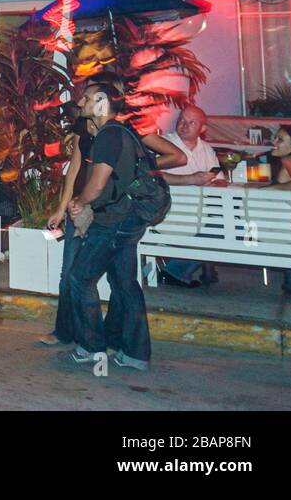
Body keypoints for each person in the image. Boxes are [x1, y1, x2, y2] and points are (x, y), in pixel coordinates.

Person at [65, 83, 185, 372]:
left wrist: (79, 202)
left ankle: (93, 347)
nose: (81, 101)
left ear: (102, 103)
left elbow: (97, 184)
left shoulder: (109, 135)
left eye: (88, 97)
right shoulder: (122, 131)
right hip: (130, 218)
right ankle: (134, 353)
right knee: (124, 284)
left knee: (79, 278)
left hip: (114, 221)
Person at [40, 101, 99, 347]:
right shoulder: (82, 127)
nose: (82, 101)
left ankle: (96, 337)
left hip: (104, 209)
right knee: (68, 273)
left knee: (89, 277)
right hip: (77, 208)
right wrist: (61, 208)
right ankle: (64, 331)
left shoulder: (116, 130)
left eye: (89, 96)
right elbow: (73, 168)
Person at [154, 105, 225, 287]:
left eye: (191, 122)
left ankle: (177, 270)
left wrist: (212, 182)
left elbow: (219, 180)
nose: (185, 125)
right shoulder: (163, 143)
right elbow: (151, 175)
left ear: (202, 128)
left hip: (202, 210)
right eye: (182, 120)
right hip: (172, 209)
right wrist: (191, 180)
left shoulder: (206, 149)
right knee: (221, 229)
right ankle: (176, 271)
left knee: (226, 225)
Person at [267, 126, 291, 295]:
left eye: (280, 139)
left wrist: (271, 189)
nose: (274, 142)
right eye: (275, 138)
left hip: (290, 229)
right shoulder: (290, 159)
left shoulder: (289, 159)